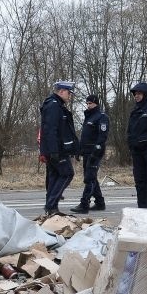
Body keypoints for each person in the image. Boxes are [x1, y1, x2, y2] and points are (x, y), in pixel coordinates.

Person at [39, 80, 79, 216]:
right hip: (57, 150)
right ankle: (50, 205)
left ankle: (52, 208)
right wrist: (54, 150)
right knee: (67, 173)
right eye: (68, 93)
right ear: (61, 91)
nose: (70, 96)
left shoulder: (56, 105)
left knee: (55, 176)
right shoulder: (53, 106)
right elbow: (50, 130)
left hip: (56, 149)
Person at [70, 94, 108, 213]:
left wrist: (96, 152)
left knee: (89, 178)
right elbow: (85, 137)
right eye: (87, 103)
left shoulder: (101, 117)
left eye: (90, 103)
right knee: (91, 177)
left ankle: (84, 204)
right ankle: (100, 203)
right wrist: (78, 151)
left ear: (96, 103)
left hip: (95, 153)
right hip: (86, 152)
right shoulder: (88, 117)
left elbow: (102, 137)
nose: (88, 105)